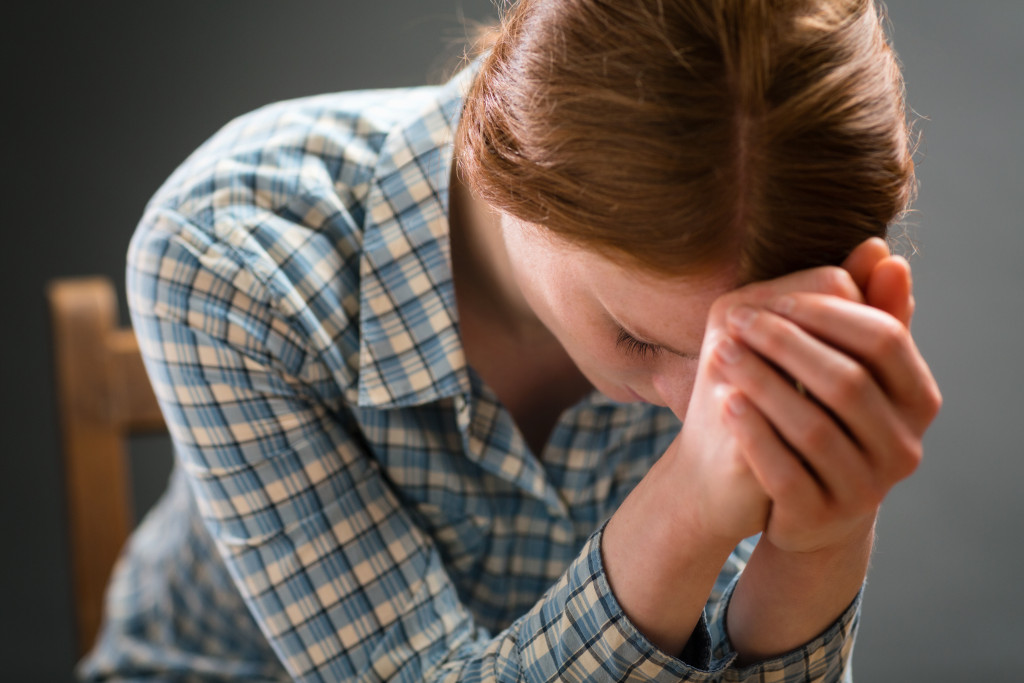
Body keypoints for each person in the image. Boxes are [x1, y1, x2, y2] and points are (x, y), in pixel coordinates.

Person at [81, 0, 941, 680]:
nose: (707, 413)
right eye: (640, 338)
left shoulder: (782, 225)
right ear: (507, 169)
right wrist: (685, 505)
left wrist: (820, 542)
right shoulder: (234, 251)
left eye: (746, 344)